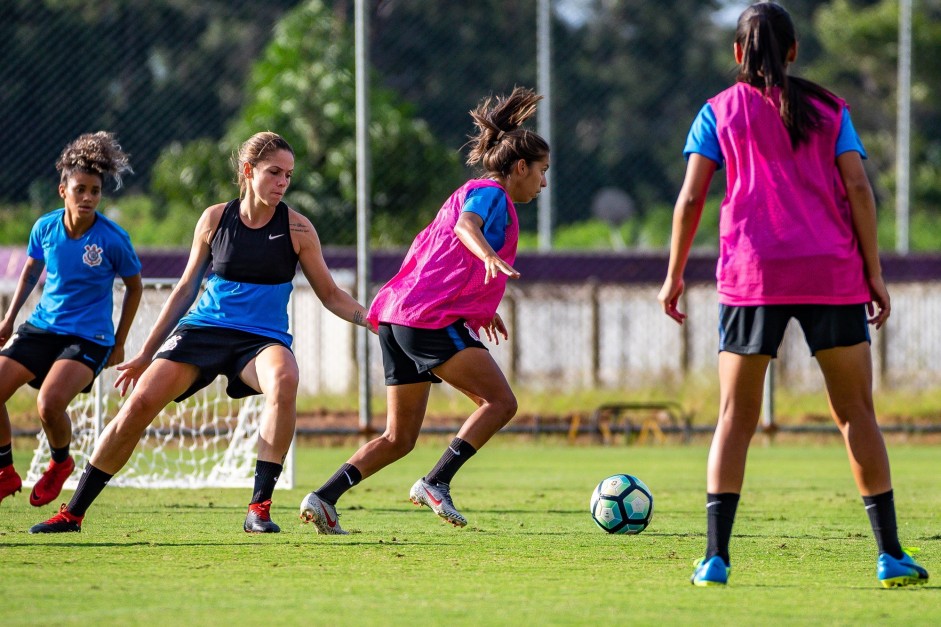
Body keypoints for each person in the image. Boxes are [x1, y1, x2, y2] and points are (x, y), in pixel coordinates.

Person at [658, 2, 928, 588]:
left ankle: (715, 559)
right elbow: (858, 186)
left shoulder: (717, 111)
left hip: (752, 276)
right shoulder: (831, 109)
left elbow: (690, 200)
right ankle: (889, 555)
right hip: (831, 273)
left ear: (736, 54)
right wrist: (874, 272)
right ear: (794, 51)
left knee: (735, 417)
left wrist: (675, 272)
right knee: (856, 413)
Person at [30, 131, 373, 534]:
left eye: (288, 175)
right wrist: (144, 354)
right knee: (139, 403)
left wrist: (372, 318)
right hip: (204, 329)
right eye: (274, 172)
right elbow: (185, 290)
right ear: (248, 171)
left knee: (285, 378)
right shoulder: (214, 219)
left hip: (260, 341)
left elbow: (330, 294)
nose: (283, 182)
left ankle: (258, 509)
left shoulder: (298, 230)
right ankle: (72, 513)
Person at [299, 86, 549, 534]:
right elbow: (465, 228)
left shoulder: (476, 192)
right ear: (521, 167)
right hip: (426, 319)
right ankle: (436, 482)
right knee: (500, 402)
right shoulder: (493, 195)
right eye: (542, 172)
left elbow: (446, 256)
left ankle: (323, 497)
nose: (544, 183)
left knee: (400, 437)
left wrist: (480, 305)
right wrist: (489, 256)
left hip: (397, 316)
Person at [0, 132, 142, 508]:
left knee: (49, 403)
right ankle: (5, 470)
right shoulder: (45, 227)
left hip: (89, 337)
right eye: (80, 189)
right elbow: (31, 270)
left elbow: (135, 287)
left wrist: (120, 340)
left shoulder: (113, 239)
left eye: (95, 191)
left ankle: (60, 463)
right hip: (41, 327)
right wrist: (9, 318)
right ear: (63, 190)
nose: (89, 198)